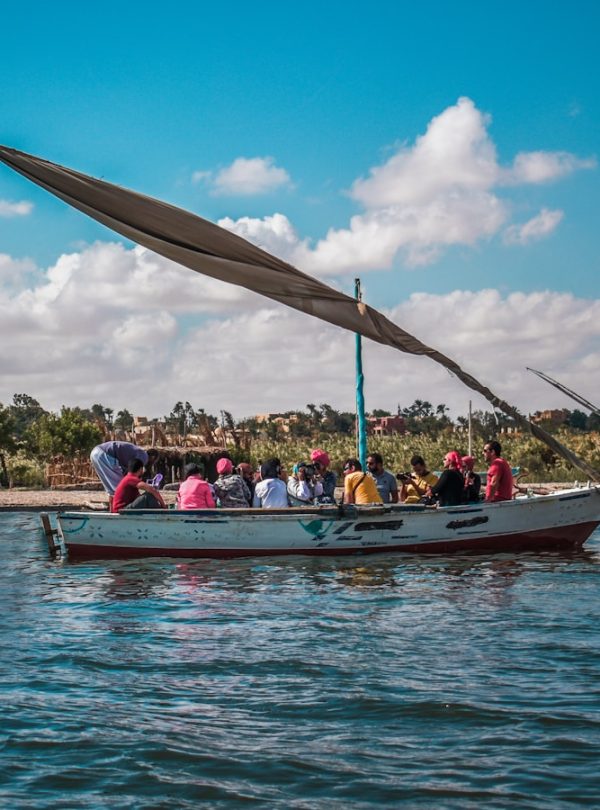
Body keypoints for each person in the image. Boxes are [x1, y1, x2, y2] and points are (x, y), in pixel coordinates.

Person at [90, 441, 159, 497]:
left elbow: (127, 472)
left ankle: (113, 509)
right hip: (106, 454)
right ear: (153, 457)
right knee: (120, 488)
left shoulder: (136, 452)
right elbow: (132, 474)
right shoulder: (144, 456)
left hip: (95, 453)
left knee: (111, 490)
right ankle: (122, 508)